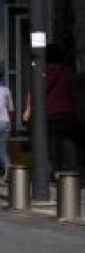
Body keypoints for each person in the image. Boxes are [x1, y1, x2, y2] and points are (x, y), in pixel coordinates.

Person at [23, 44, 80, 173]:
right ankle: (67, 171)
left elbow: (33, 93)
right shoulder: (67, 72)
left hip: (46, 114)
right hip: (66, 113)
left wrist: (28, 110)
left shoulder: (40, 72)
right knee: (66, 142)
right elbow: (75, 94)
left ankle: (52, 170)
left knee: (48, 144)